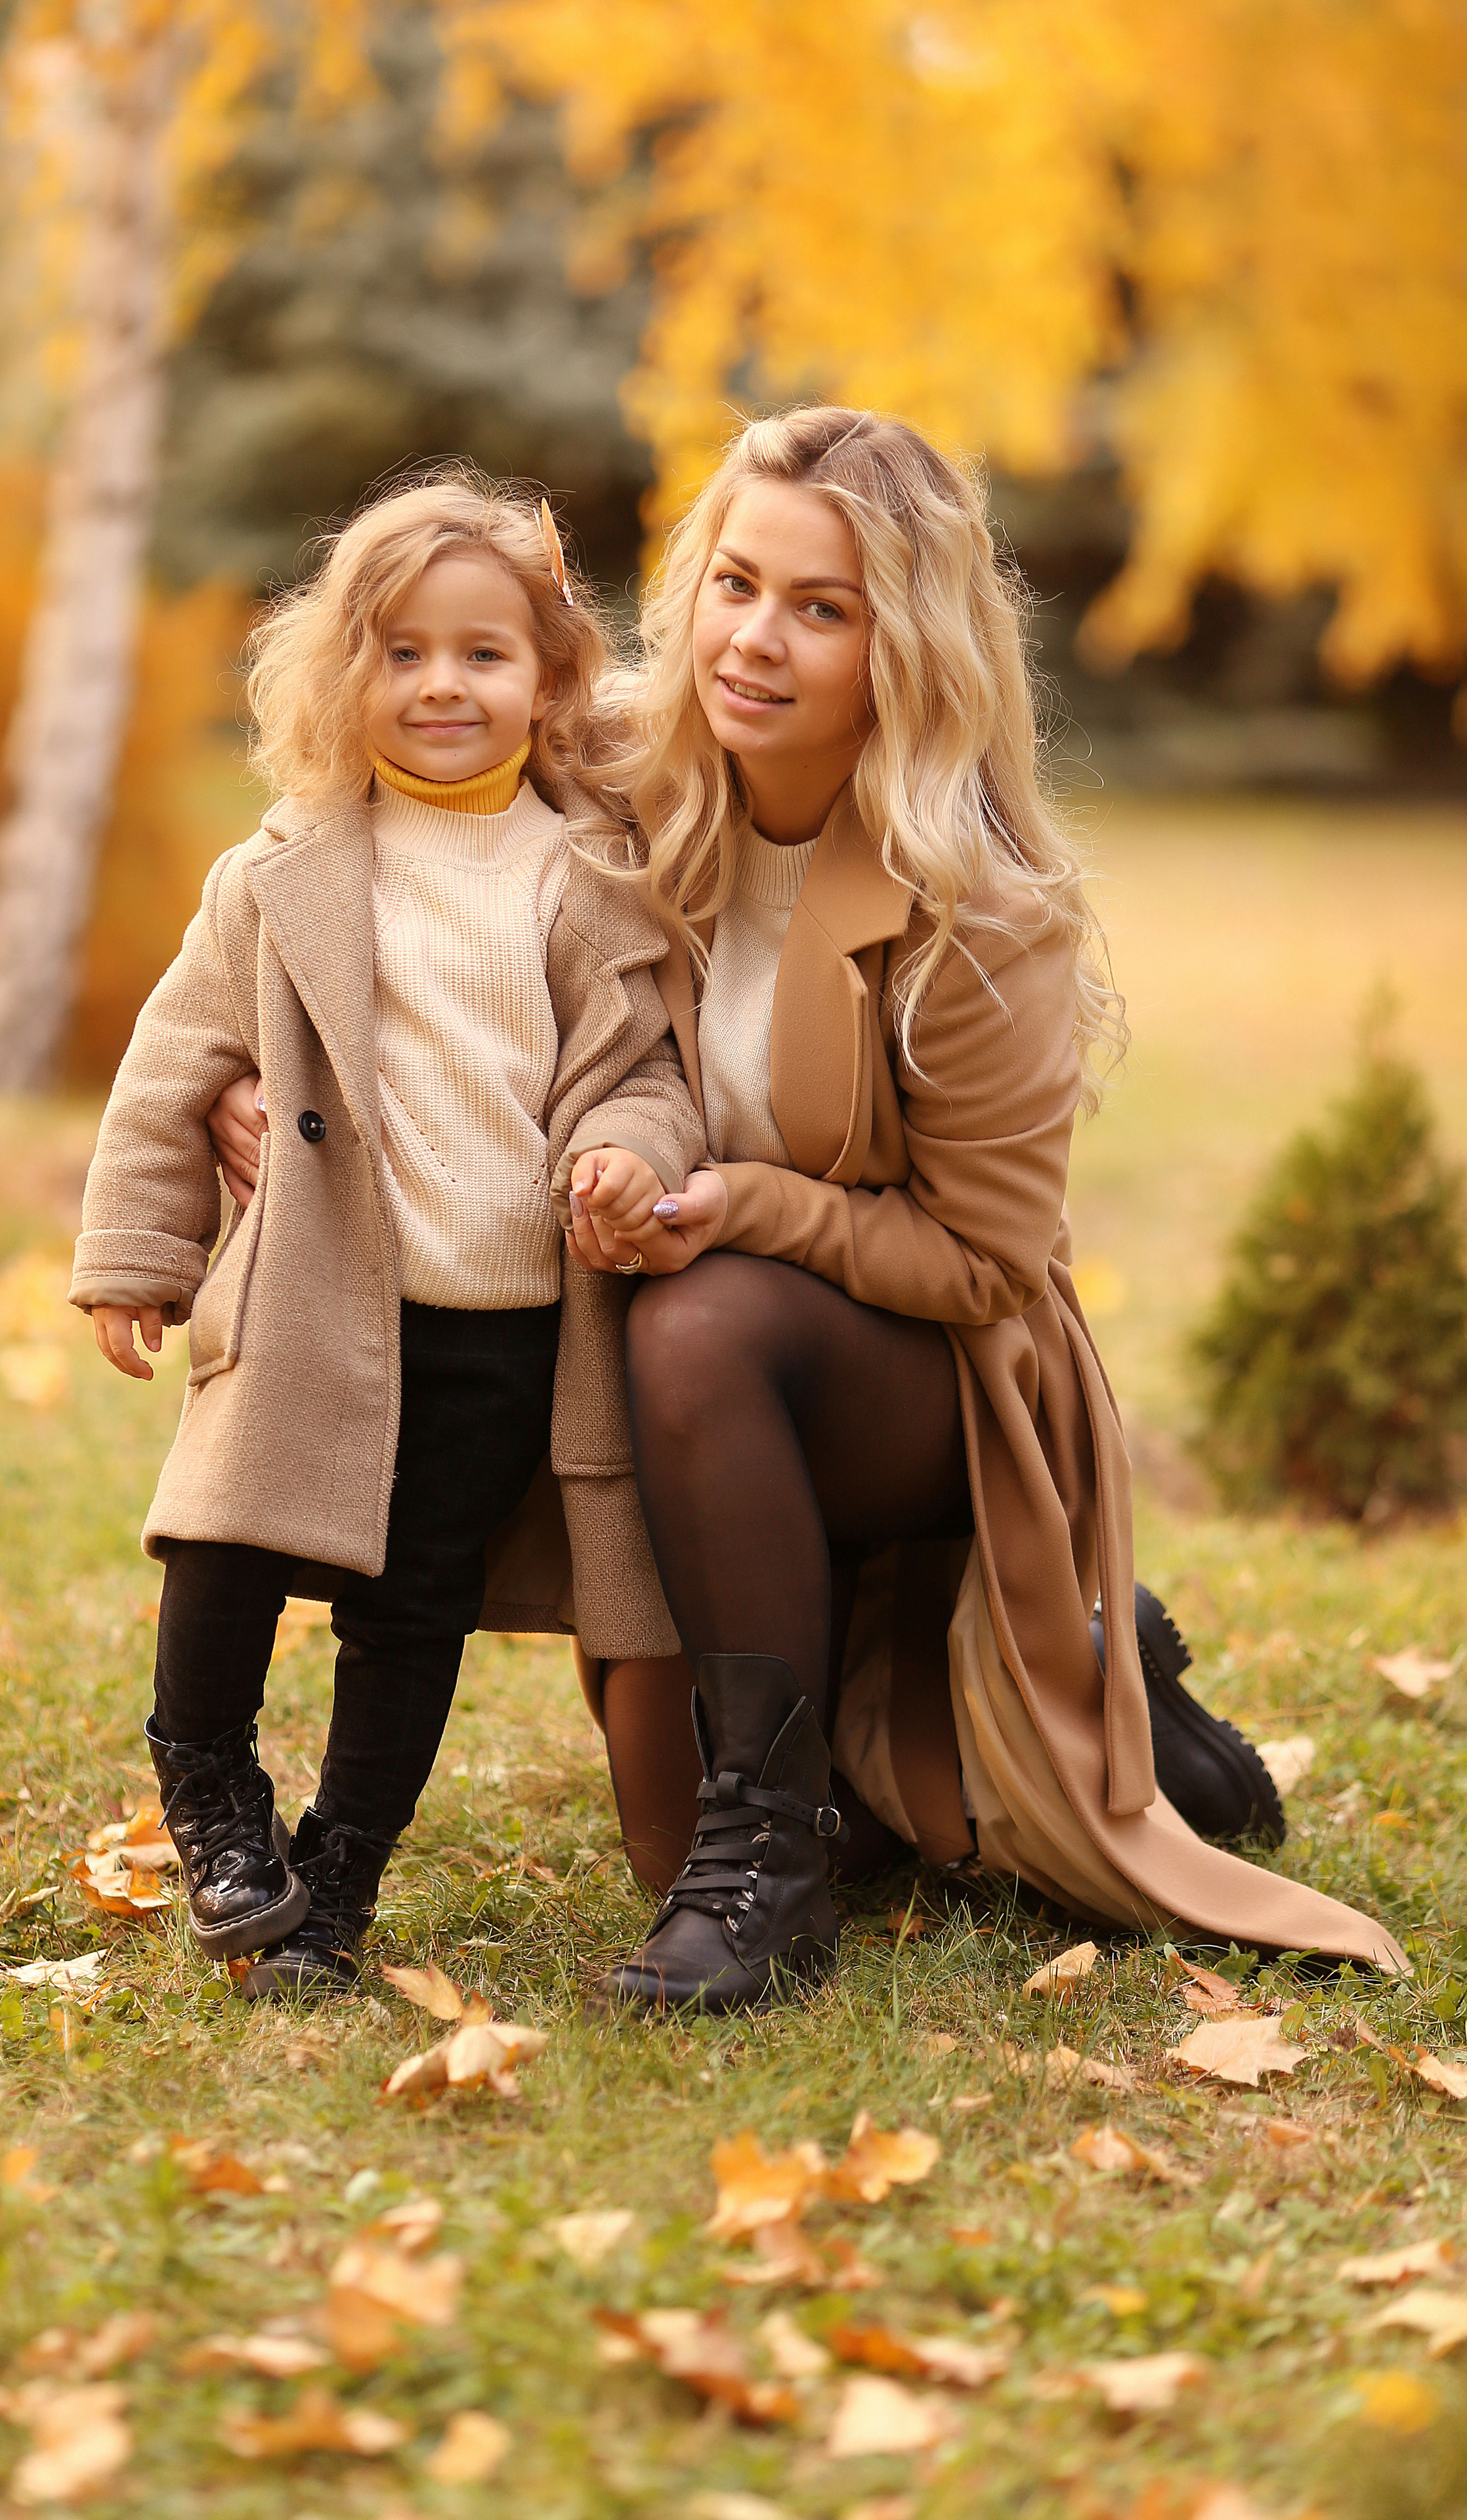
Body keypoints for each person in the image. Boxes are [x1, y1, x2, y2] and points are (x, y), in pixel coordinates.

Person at [551, 407, 1406, 2006]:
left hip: (944, 1373)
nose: (754, 641)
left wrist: (747, 1205)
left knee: (697, 1321)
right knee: (772, 1813)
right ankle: (1090, 1674)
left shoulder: (977, 905)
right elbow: (386, 832)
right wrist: (238, 1077)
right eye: (735, 584)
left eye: (821, 608)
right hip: (718, 1357)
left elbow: (983, 1260)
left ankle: (770, 1863)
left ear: (905, 648)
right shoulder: (625, 780)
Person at [70, 473, 703, 2001]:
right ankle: (209, 1788)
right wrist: (138, 1254)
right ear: (341, 673)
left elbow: (640, 1072)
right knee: (222, 1541)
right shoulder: (283, 872)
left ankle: (341, 1867)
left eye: (482, 654)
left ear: (548, 680)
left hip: (501, 1321)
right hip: (310, 1293)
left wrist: (626, 1153)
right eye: (400, 652)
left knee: (413, 1605)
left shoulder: (584, 878)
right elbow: (172, 1063)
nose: (440, 685)